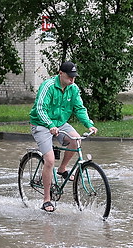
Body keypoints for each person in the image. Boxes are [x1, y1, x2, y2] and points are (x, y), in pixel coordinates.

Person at [29, 61, 98, 212]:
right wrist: (49, 125)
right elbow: (40, 109)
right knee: (49, 160)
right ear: (60, 73)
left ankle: (62, 169)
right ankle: (47, 200)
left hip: (60, 123)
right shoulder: (47, 86)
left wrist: (89, 124)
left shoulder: (73, 88)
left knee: (76, 140)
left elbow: (79, 108)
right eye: (69, 77)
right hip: (41, 124)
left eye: (74, 77)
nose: (72, 80)